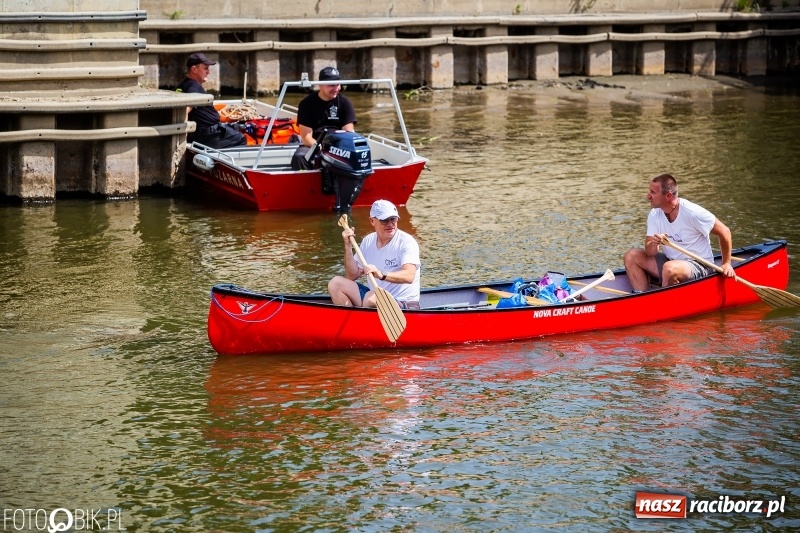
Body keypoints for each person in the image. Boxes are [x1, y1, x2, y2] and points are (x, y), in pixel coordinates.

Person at [624, 173, 735, 293]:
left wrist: (726, 264)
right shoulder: (655, 214)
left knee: (669, 269)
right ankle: (641, 298)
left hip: (700, 265)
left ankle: (664, 303)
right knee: (631, 256)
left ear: (668, 196)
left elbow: (725, 231)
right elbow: (650, 252)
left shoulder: (692, 213)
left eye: (653, 192)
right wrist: (655, 243)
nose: (648, 196)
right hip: (671, 261)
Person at [328, 200, 421, 309]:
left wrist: (381, 274)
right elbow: (352, 275)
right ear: (372, 221)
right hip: (374, 297)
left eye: (393, 219)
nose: (390, 224)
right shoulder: (368, 241)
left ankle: (358, 319)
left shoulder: (406, 242)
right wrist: (348, 246)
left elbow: (409, 276)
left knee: (372, 298)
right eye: (385, 220)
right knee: (335, 284)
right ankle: (352, 321)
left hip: (404, 304)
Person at [291, 66, 357, 170]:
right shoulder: (306, 104)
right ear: (320, 85)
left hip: (338, 146)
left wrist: (334, 150)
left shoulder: (345, 103)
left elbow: (348, 133)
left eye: (338, 84)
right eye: (331, 85)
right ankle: (305, 185)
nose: (336, 89)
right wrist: (320, 148)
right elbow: (306, 138)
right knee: (299, 157)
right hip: (314, 144)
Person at [176, 52, 246, 149]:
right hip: (209, 136)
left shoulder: (182, 85)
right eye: (205, 68)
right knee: (241, 138)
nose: (208, 72)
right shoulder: (193, 87)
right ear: (194, 69)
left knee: (237, 127)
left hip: (206, 133)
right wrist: (183, 139)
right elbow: (185, 110)